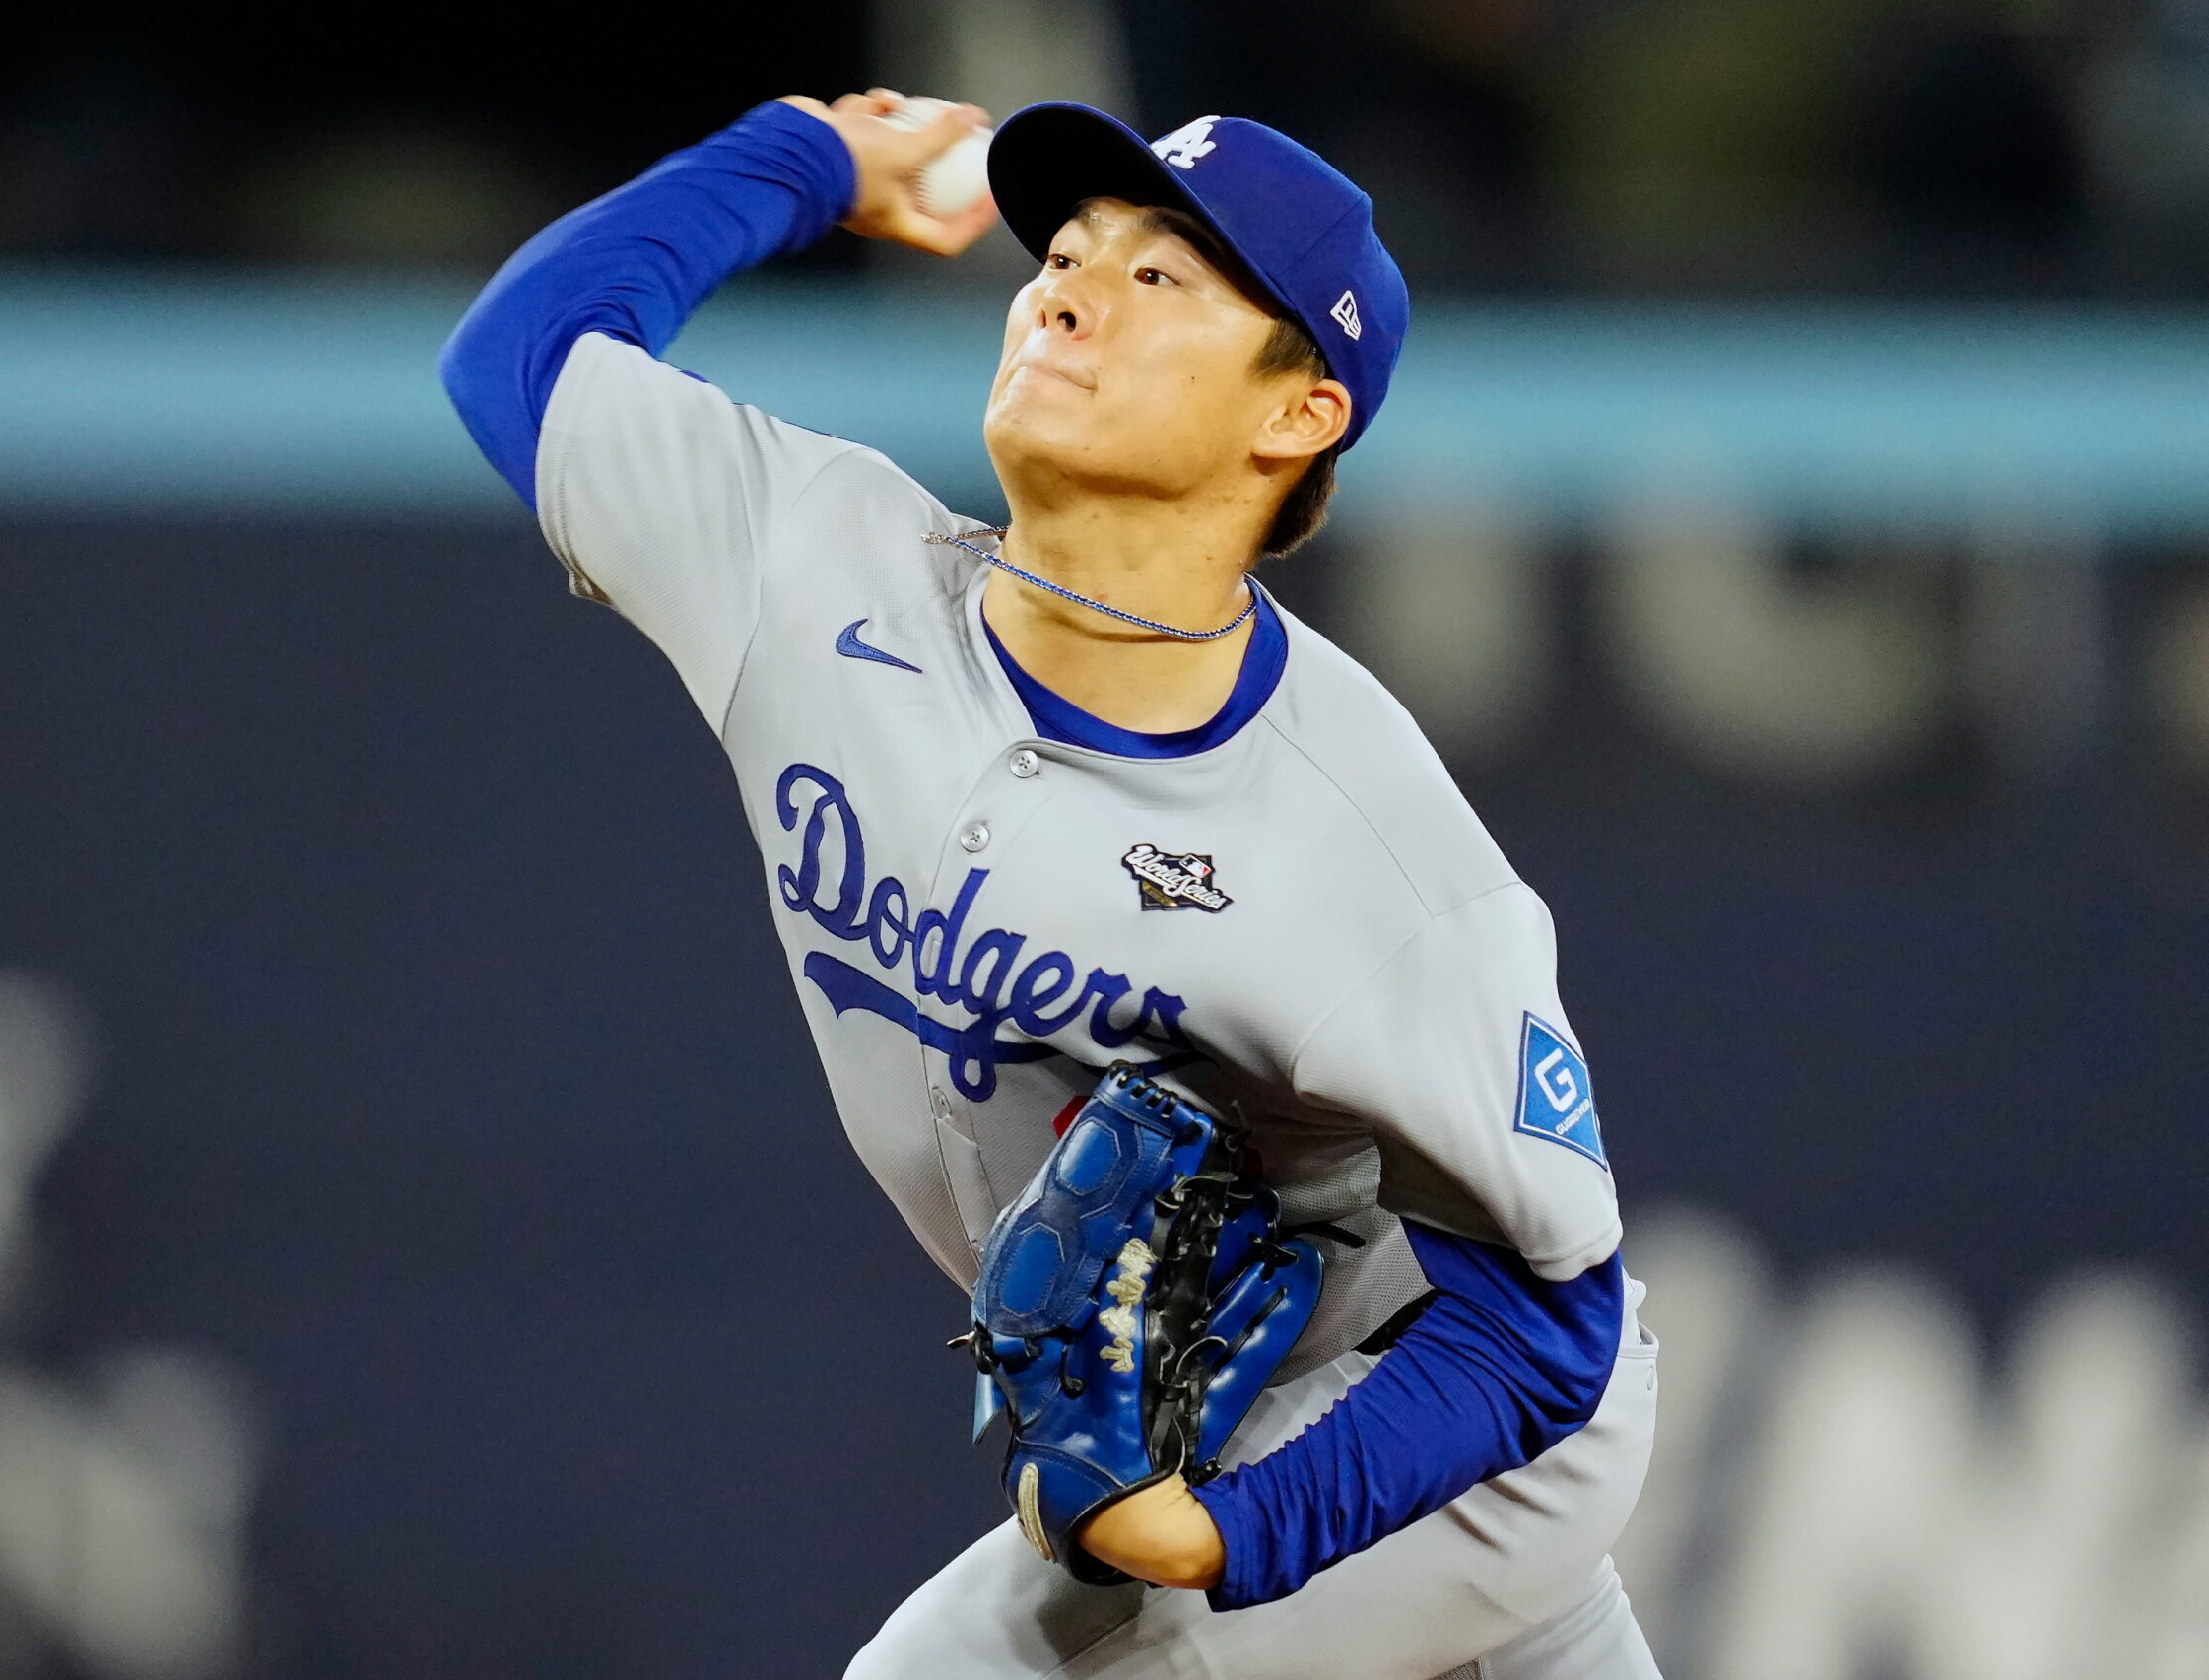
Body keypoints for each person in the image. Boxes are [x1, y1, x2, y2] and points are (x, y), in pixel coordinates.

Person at [441, 89, 1661, 1679]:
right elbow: (523, 356)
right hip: (1275, 1430)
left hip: (1435, 1430)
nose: (1069, 292)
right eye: (1066, 254)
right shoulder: (816, 567)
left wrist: (1220, 1534)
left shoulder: (1369, 845)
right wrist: (810, 156)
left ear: (1297, 413)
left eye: (1159, 277)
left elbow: (1547, 1326)